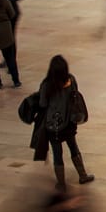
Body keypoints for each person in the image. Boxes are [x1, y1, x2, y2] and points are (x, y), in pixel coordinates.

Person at [39, 55, 95, 190]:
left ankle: (61, 183)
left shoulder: (47, 85)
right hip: (69, 122)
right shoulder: (71, 80)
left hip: (53, 124)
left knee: (57, 153)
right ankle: (82, 175)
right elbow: (75, 94)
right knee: (73, 147)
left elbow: (42, 103)